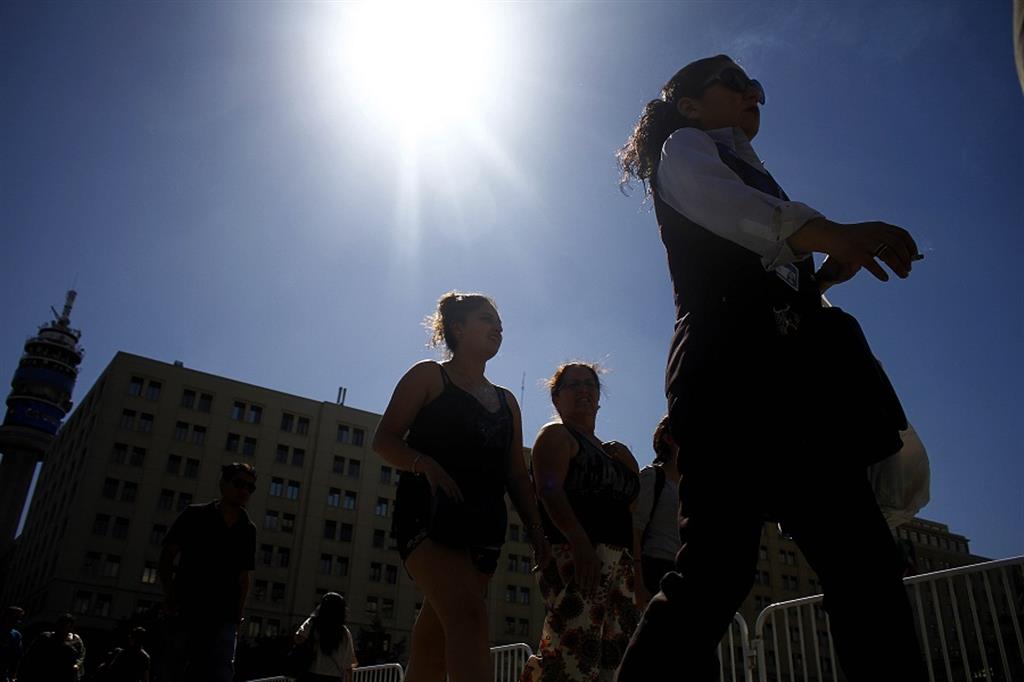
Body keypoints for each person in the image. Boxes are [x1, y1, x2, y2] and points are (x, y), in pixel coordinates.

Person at [613, 55, 927, 681]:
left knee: (863, 561)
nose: (752, 91)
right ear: (688, 104)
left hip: (794, 386)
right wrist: (830, 232)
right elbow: (736, 214)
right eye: (733, 81)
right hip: (727, 376)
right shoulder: (685, 147)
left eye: (755, 84)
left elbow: (767, 263)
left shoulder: (758, 172)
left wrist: (819, 275)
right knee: (718, 569)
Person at [373, 291, 550, 682]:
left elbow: (516, 475)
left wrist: (538, 534)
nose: (497, 328)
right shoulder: (428, 376)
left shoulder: (507, 402)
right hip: (429, 518)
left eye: (499, 323)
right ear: (457, 328)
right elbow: (384, 439)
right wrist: (425, 463)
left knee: (433, 648)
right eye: (486, 319)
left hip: (484, 532)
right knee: (469, 617)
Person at [520, 362, 642, 682]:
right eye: (573, 385)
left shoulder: (613, 453)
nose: (583, 390)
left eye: (590, 384)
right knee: (572, 653)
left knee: (616, 656)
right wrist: (579, 542)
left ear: (599, 397)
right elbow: (549, 491)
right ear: (556, 398)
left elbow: (630, 508)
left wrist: (630, 466)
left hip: (619, 561)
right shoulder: (557, 434)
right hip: (575, 553)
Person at [158, 462, 257, 682]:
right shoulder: (195, 515)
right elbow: (167, 557)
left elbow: (244, 577)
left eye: (250, 488)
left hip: (224, 616)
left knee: (220, 673)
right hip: (187, 608)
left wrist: (237, 616)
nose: (244, 491)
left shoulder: (247, 529)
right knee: (174, 668)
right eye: (239, 484)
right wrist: (170, 595)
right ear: (223, 484)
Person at [631, 416, 681, 604]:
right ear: (668, 439)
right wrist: (638, 583)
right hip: (655, 571)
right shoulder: (652, 477)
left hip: (685, 574)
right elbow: (635, 530)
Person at [293, 592, 357, 682]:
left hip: (311, 673)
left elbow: (298, 638)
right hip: (333, 676)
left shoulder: (313, 623)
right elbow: (348, 662)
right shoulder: (344, 632)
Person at [18, 612, 85, 682]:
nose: (61, 629)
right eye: (60, 625)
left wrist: (77, 665)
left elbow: (81, 655)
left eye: (65, 627)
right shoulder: (45, 637)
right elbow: (30, 656)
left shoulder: (75, 640)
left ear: (70, 628)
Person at [0, 606, 24, 682]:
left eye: (19, 618)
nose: (18, 621)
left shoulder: (16, 635)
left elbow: (16, 658)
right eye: (16, 618)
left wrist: (13, 676)